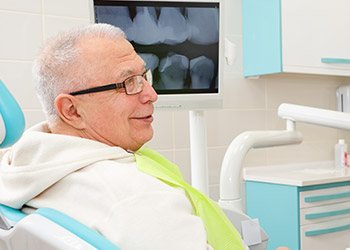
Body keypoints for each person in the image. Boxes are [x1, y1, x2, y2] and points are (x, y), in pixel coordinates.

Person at [0, 24, 246, 250]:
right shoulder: (139, 199)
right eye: (128, 83)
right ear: (72, 111)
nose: (151, 94)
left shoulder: (17, 168)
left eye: (144, 77)